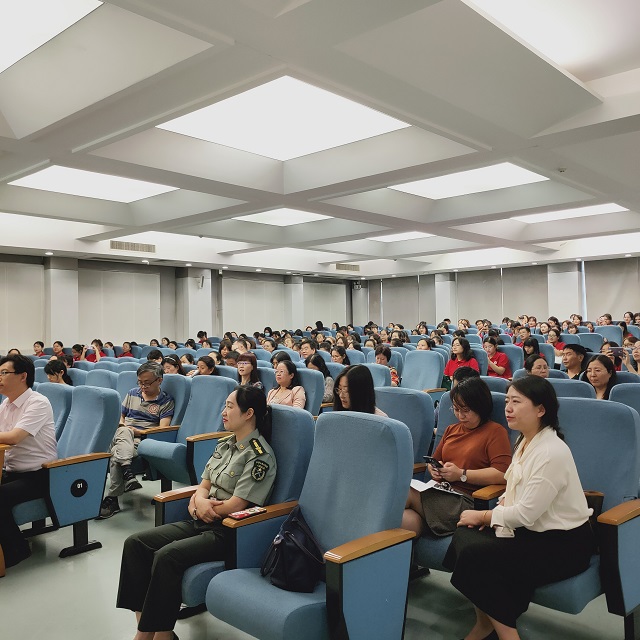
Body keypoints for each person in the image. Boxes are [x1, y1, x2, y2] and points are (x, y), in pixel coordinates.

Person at [116, 386, 275, 640]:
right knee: (135, 544)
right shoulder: (225, 444)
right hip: (201, 519)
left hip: (228, 531)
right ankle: (155, 634)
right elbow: (203, 485)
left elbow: (237, 505)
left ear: (249, 414)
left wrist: (201, 505)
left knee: (167, 556)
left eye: (230, 407)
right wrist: (199, 500)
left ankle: (151, 637)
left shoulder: (259, 455)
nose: (223, 412)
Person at [445, 376, 593, 640]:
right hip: (533, 532)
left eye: (516, 402)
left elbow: (526, 513)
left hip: (563, 544)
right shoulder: (525, 441)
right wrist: (500, 508)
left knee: (474, 555)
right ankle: (487, 623)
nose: (508, 408)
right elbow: (514, 487)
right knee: (465, 537)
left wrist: (486, 516)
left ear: (540, 409)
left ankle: (503, 633)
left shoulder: (551, 452)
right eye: (507, 401)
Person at [402, 377, 511, 538]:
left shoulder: (495, 432)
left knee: (404, 491)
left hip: (465, 501)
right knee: (404, 521)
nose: (460, 415)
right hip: (439, 491)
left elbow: (502, 474)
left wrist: (461, 474)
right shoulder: (451, 430)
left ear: (480, 407)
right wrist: (434, 469)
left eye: (466, 410)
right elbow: (434, 461)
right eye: (456, 409)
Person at [0, 355, 57, 567]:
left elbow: (14, 437)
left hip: (39, 475)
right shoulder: (6, 404)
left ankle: (17, 549)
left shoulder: (38, 402)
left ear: (23, 376)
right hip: (13, 471)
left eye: (3, 373)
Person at [98, 363, 175, 519]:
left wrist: (139, 432)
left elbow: (162, 429)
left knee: (116, 453)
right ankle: (127, 471)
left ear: (159, 380)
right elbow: (121, 416)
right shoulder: (132, 393)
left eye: (147, 383)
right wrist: (123, 425)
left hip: (141, 439)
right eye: (140, 382)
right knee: (123, 431)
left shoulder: (165, 401)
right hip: (120, 435)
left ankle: (113, 498)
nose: (142, 386)